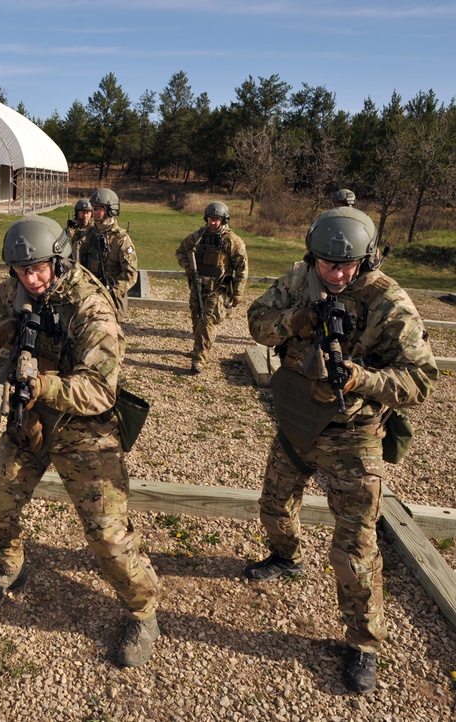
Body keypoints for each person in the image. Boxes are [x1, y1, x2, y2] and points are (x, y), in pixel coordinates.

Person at [245, 207, 437, 694]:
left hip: (353, 435)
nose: (335, 273)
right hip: (296, 421)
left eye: (346, 265)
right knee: (272, 507)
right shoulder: (300, 280)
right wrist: (298, 318)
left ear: (366, 258)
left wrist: (361, 377)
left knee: (355, 549)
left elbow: (421, 378)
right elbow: (257, 323)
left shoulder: (388, 301)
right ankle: (286, 557)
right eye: (327, 263)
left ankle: (362, 643)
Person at [0, 215, 160, 667]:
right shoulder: (15, 291)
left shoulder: (91, 307)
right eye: (21, 271)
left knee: (108, 537)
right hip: (30, 418)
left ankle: (143, 610)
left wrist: (45, 385)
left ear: (59, 259)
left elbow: (98, 391)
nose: (30, 279)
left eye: (37, 269)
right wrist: (4, 329)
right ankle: (12, 565)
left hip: (85, 426)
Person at [175, 201, 248, 373]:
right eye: (210, 219)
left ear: (224, 220)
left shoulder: (232, 241)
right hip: (198, 286)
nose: (212, 223)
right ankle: (199, 346)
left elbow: (242, 268)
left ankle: (199, 359)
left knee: (207, 321)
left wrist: (238, 292)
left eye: (216, 219)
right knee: (196, 318)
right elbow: (181, 251)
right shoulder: (198, 237)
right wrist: (189, 267)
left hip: (218, 289)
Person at [72, 188, 138, 320]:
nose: (94, 212)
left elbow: (130, 274)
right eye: (93, 209)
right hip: (89, 296)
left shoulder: (121, 239)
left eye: (99, 209)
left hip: (112, 297)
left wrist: (111, 293)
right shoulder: (87, 234)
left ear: (110, 210)